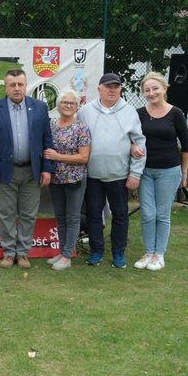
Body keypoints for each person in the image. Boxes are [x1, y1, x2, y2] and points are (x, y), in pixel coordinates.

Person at [0, 68, 55, 269]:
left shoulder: (39, 108)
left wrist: (47, 168)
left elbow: (47, 140)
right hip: (4, 171)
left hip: (32, 171)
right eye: (12, 85)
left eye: (20, 84)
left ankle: (22, 253)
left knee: (29, 214)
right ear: (5, 87)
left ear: (26, 85)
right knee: (6, 213)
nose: (17, 88)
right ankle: (8, 252)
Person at [77, 73, 146, 268]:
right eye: (108, 87)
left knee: (121, 214)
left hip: (120, 175)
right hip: (93, 175)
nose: (112, 90)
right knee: (93, 214)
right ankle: (96, 251)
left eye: (116, 87)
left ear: (120, 89)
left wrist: (135, 173)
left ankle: (118, 253)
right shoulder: (85, 111)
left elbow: (139, 143)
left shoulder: (130, 111)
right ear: (99, 89)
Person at [132, 72, 188, 271]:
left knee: (162, 214)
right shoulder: (138, 113)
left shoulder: (176, 113)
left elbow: (186, 145)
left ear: (164, 89)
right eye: (147, 90)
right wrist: (132, 147)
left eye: (155, 88)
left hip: (169, 171)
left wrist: (183, 173)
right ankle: (149, 252)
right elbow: (131, 139)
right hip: (145, 171)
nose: (151, 93)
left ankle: (159, 255)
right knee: (148, 214)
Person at [43, 90, 91, 270]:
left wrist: (57, 156)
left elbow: (83, 157)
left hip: (75, 180)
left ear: (77, 106)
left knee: (72, 217)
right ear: (58, 105)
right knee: (60, 217)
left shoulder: (81, 127)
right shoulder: (53, 126)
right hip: (56, 179)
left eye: (72, 103)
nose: (68, 105)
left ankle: (67, 255)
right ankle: (62, 251)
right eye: (65, 102)